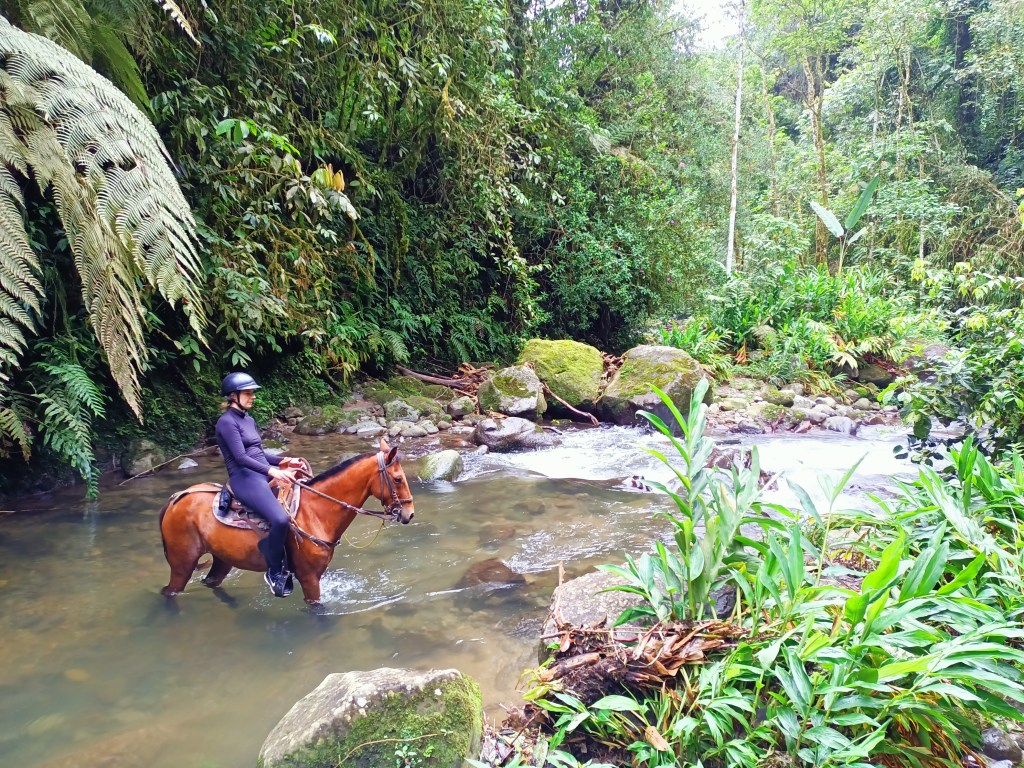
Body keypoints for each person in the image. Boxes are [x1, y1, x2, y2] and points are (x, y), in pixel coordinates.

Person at [215, 372, 304, 597]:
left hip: (260, 472)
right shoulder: (226, 422)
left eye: (252, 392)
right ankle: (273, 571)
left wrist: (284, 460)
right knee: (280, 519)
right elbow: (241, 457)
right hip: (244, 478)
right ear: (233, 396)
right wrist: (272, 471)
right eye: (248, 393)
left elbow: (258, 452)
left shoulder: (249, 420)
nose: (252, 396)